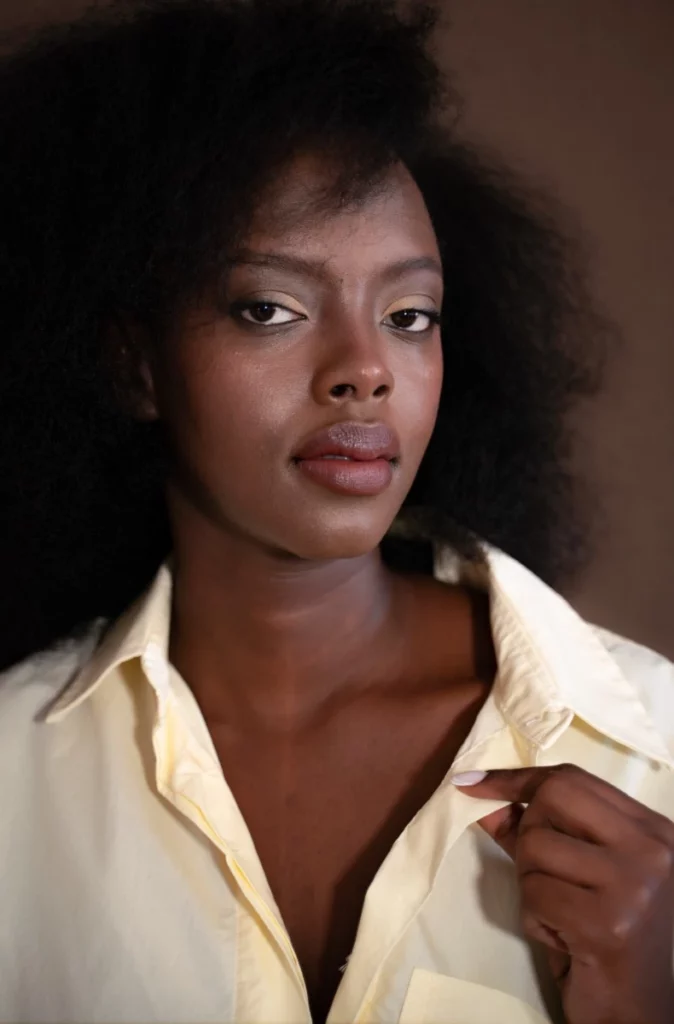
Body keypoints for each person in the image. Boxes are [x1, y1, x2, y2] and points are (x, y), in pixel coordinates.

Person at [0, 1, 673, 1022]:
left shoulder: (652, 745)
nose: (365, 369)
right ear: (135, 364)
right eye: (270, 308)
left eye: (409, 315)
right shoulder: (14, 776)